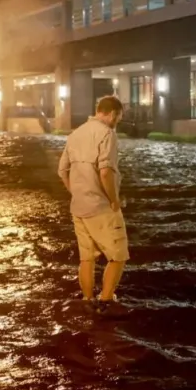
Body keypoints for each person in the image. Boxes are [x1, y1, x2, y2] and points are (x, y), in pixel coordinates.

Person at [58, 95, 128, 313]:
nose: (117, 122)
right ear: (112, 113)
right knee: (118, 255)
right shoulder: (107, 134)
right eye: (118, 117)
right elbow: (106, 171)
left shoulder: (75, 134)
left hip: (78, 207)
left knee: (86, 258)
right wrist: (114, 200)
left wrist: (77, 193)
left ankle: (88, 300)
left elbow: (62, 171)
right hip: (101, 207)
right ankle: (106, 300)